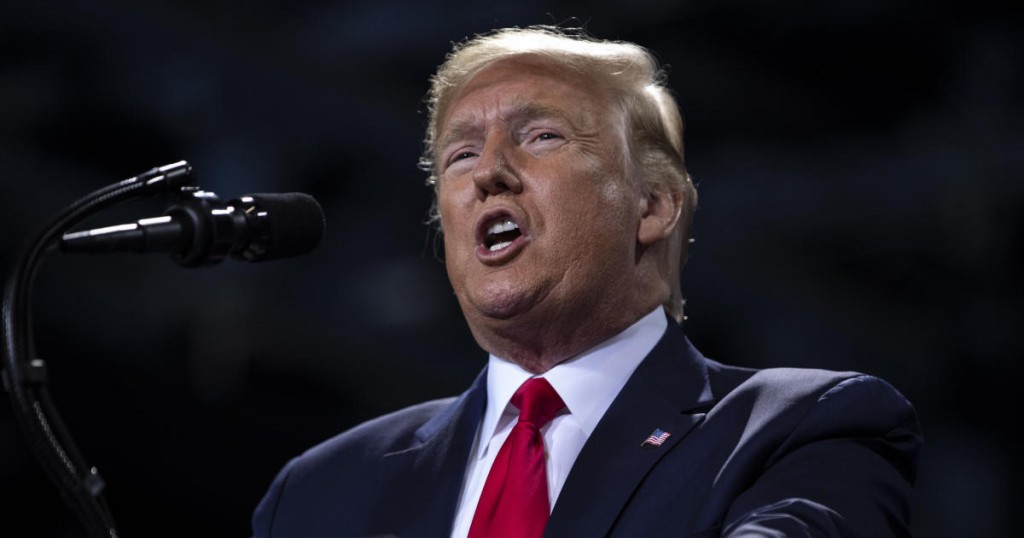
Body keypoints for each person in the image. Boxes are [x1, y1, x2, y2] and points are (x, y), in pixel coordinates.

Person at [252, 26, 922, 538]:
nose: (488, 172)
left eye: (541, 137)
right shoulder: (319, 492)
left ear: (653, 206)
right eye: (459, 154)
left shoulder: (801, 428)